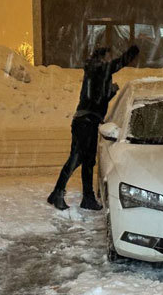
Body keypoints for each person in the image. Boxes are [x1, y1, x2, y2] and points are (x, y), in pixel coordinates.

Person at [46, 44, 140, 210]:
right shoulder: (97, 68)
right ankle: (59, 193)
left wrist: (110, 92)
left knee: (87, 161)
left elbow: (97, 98)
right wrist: (133, 50)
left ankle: (84, 198)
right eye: (109, 57)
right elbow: (118, 64)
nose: (111, 60)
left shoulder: (97, 72)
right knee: (77, 159)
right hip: (85, 122)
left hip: (87, 120)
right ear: (102, 58)